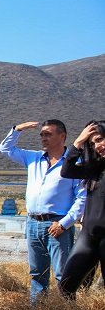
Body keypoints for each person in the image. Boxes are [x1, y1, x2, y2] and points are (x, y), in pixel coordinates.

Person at [0, 120, 85, 303]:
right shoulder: (34, 158)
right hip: (33, 223)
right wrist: (17, 130)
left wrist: (65, 223)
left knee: (63, 274)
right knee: (37, 273)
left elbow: (82, 197)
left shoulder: (74, 163)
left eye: (48, 134)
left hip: (57, 224)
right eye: (42, 134)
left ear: (62, 136)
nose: (43, 138)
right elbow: (5, 149)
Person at [58, 121, 105, 298]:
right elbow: (66, 171)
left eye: (100, 139)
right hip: (89, 236)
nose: (97, 146)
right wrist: (78, 142)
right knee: (66, 287)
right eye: (92, 144)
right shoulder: (94, 169)